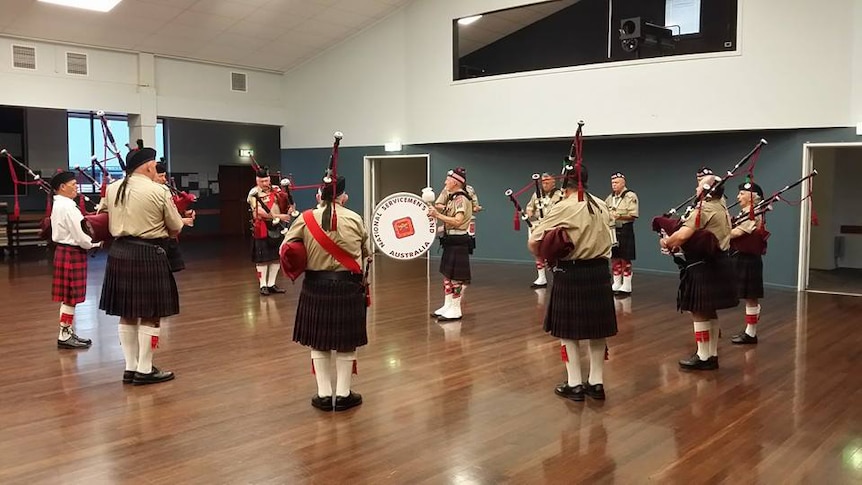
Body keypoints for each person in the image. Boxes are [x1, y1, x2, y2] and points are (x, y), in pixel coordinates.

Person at [99, 139, 194, 385]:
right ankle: (144, 369)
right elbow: (174, 227)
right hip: (148, 253)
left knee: (127, 313)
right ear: (148, 166)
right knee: (151, 314)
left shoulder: (113, 187)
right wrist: (181, 222)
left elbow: (103, 214)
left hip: (119, 252)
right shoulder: (158, 190)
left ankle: (130, 368)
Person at [528, 164, 617, 401]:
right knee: (598, 332)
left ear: (564, 183)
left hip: (571, 273)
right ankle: (596, 383)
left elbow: (534, 242)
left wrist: (545, 248)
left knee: (568, 332)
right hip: (599, 272)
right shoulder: (601, 203)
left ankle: (574, 383)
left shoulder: (563, 207)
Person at [283, 175, 370, 412]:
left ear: (320, 195)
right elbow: (367, 252)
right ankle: (343, 395)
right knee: (346, 341)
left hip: (315, 285)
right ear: (343, 196)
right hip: (348, 286)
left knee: (318, 340)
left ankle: (323, 395)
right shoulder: (354, 218)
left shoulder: (305, 218)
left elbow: (287, 248)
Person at [660, 168, 738, 371]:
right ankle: (710, 354)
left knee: (699, 311)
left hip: (703, 265)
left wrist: (667, 241)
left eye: (699, 185)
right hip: (718, 261)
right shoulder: (722, 206)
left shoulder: (704, 210)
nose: (695, 188)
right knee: (709, 310)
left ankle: (703, 356)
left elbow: (682, 236)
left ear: (705, 191)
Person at [50, 171, 100, 349]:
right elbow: (80, 233)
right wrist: (93, 244)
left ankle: (66, 331)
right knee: (70, 297)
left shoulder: (61, 204)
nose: (76, 187)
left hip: (65, 251)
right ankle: (64, 334)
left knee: (69, 297)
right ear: (62, 187)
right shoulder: (67, 206)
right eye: (73, 184)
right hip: (72, 252)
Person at [429, 167, 474, 322]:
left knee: (456, 278)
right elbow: (449, 225)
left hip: (458, 242)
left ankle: (456, 308)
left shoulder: (461, 199)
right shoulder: (452, 198)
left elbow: (458, 221)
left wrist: (437, 215)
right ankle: (447, 305)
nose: (445, 182)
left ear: (455, 182)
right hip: (450, 241)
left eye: (447, 180)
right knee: (447, 276)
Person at [729, 181, 765, 344]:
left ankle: (751, 333)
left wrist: (720, 234)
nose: (738, 196)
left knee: (750, 296)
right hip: (741, 256)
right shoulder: (745, 211)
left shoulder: (754, 212)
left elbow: (741, 231)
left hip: (748, 258)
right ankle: (750, 330)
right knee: (747, 295)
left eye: (742, 193)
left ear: (752, 196)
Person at [248, 166, 292, 296]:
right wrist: (279, 217)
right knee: (262, 259)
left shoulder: (277, 190)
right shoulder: (253, 193)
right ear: (257, 180)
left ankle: (271, 284)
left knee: (275, 257)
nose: (265, 184)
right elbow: (259, 212)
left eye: (266, 180)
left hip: (277, 227)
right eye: (262, 181)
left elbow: (286, 205)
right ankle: (263, 285)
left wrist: (288, 207)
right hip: (262, 227)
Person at [525, 173, 563, 288]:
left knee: (554, 251)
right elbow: (530, 207)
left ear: (553, 183)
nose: (544, 184)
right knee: (537, 251)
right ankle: (541, 277)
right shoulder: (537, 194)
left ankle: (558, 276)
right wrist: (529, 212)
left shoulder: (559, 194)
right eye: (543, 182)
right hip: (538, 225)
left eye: (547, 182)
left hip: (553, 226)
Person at [605, 172, 639, 295]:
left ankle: (627, 284)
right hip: (613, 229)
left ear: (623, 183)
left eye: (616, 182)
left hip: (625, 229)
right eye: (612, 183)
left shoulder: (630, 196)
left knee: (625, 257)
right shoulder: (610, 198)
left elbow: (633, 215)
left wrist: (618, 216)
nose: (614, 185)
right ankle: (617, 282)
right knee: (614, 257)